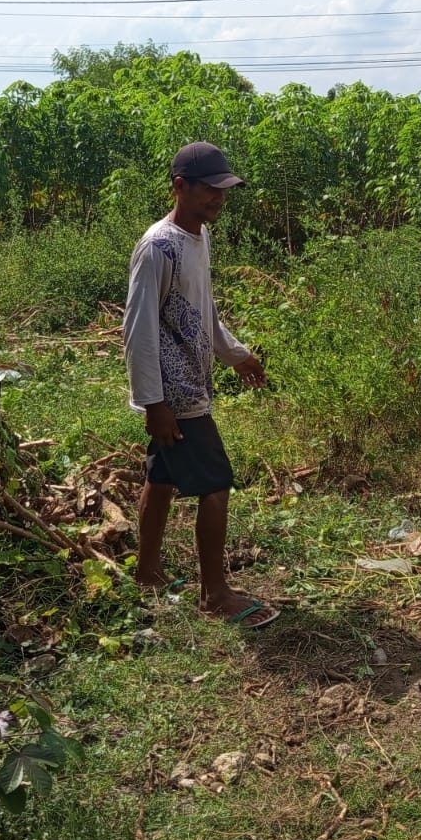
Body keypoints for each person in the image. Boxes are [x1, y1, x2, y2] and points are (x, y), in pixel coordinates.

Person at [123, 141, 279, 629]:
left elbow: (203, 313)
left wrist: (236, 355)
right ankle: (215, 594)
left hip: (191, 383)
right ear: (180, 187)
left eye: (224, 191)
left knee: (161, 477)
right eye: (209, 190)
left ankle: (147, 573)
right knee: (216, 484)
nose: (218, 199)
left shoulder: (198, 238)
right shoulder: (158, 247)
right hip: (177, 396)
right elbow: (138, 330)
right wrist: (154, 403)